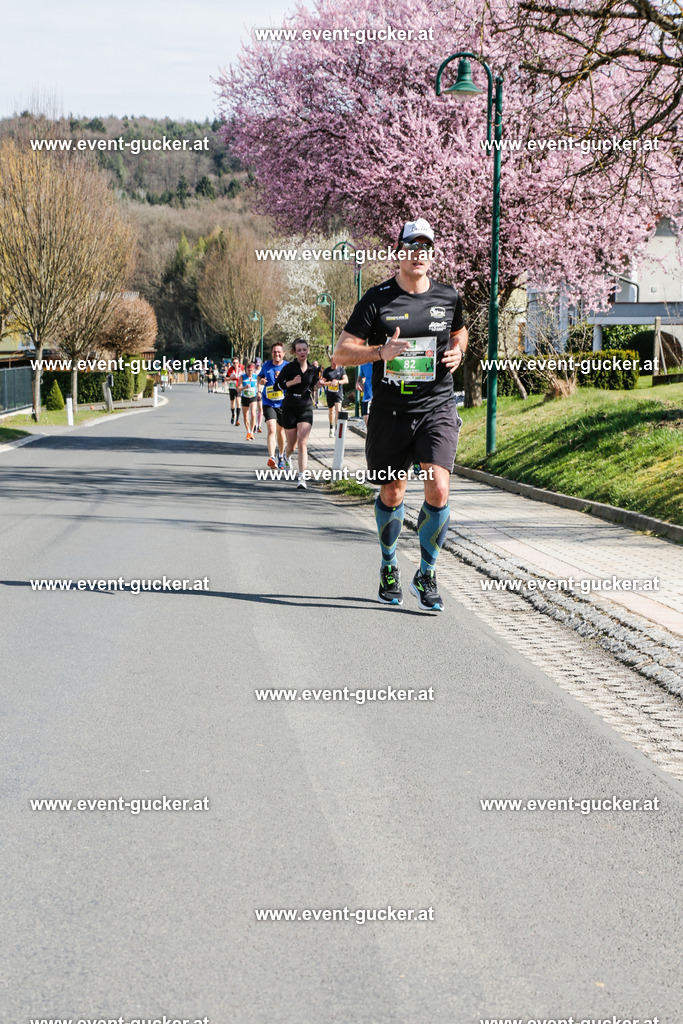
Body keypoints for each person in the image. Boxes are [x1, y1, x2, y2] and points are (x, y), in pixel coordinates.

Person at [333, 218, 468, 612]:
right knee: (393, 492)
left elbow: (459, 332)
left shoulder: (448, 297)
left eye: (425, 247)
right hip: (391, 411)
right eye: (412, 246)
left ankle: (426, 572)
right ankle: (389, 566)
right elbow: (340, 353)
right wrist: (378, 353)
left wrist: (458, 350)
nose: (418, 254)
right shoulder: (378, 300)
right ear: (399, 252)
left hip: (436, 406)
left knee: (439, 487)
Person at [275, 339, 321, 489]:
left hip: (305, 407)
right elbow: (277, 386)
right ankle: (286, 456)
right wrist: (291, 383)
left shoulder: (313, 370)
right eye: (299, 350)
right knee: (292, 445)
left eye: (304, 349)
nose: (302, 352)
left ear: (308, 351)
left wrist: (318, 385)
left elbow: (313, 387)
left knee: (302, 443)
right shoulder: (289, 368)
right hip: (289, 407)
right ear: (295, 352)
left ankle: (302, 478)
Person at [258, 343, 288, 468]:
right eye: (274, 352)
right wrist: (261, 381)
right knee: (271, 428)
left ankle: (281, 455)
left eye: (279, 352)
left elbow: (293, 381)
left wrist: (283, 379)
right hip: (268, 402)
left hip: (283, 402)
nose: (277, 354)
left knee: (281, 432)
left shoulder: (288, 366)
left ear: (283, 354)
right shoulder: (266, 365)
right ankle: (271, 457)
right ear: (272, 353)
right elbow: (260, 376)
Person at [322, 359, 349, 437]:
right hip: (330, 393)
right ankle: (331, 427)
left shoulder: (341, 370)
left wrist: (338, 382)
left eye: (337, 362)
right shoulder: (327, 371)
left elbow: (346, 380)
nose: (335, 364)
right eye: (334, 363)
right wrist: (330, 383)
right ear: (331, 361)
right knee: (331, 411)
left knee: (338, 410)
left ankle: (337, 429)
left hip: (338, 393)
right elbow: (323, 383)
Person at [239, 362, 259, 440]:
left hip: (253, 397)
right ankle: (248, 432)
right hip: (245, 397)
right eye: (248, 370)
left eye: (251, 370)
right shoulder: (242, 377)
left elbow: (258, 385)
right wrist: (244, 388)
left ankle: (252, 432)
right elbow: (238, 388)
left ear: (253, 370)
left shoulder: (256, 376)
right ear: (246, 369)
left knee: (253, 414)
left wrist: (259, 392)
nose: (250, 372)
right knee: (246, 416)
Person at [355, 361, 374, 427]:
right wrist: (358, 383)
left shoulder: (383, 363)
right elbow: (361, 377)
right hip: (367, 398)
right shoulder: (364, 365)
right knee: (367, 421)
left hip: (378, 398)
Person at [226, 356, 244, 425]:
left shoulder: (241, 367)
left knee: (238, 402)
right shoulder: (230, 369)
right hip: (232, 387)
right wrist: (231, 378)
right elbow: (225, 379)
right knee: (232, 403)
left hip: (238, 387)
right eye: (234, 363)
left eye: (237, 363)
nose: (236, 364)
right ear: (232, 363)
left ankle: (237, 420)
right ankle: (233, 414)